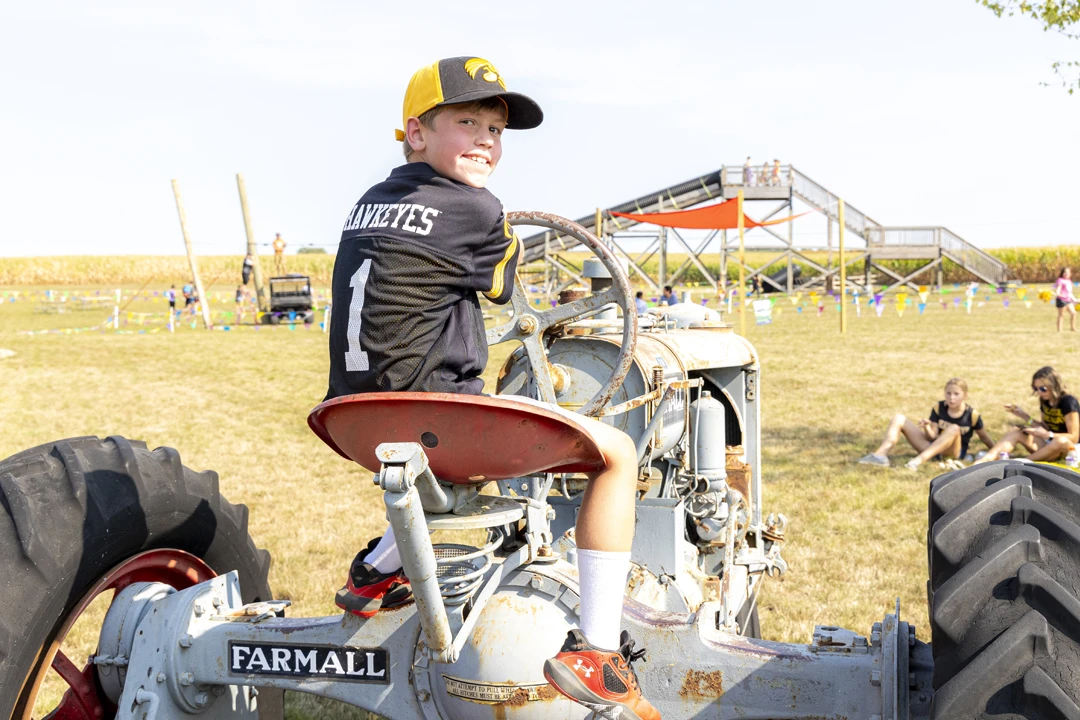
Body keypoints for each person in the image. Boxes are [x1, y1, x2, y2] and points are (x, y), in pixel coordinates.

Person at [323, 57, 658, 720]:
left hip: (353, 417)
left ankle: (377, 567)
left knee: (456, 459)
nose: (485, 141)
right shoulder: (475, 208)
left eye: (496, 130)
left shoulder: (373, 198)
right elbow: (506, 284)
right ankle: (597, 648)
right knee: (616, 451)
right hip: (437, 417)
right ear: (416, 132)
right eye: (466, 122)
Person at [858, 378, 993, 470]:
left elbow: (984, 437)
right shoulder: (939, 408)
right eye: (948, 393)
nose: (951, 398)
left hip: (953, 452)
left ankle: (917, 461)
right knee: (898, 418)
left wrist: (995, 451)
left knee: (954, 428)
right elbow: (931, 436)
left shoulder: (972, 414)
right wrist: (927, 427)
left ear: (965, 395)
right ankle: (880, 455)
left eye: (956, 394)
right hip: (933, 448)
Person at [974, 366, 1080, 464]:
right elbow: (1045, 427)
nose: (1039, 392)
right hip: (1050, 444)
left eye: (1043, 388)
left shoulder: (1068, 402)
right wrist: (1023, 415)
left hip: (1070, 449)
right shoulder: (1045, 401)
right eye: (1036, 389)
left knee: (1060, 441)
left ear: (1053, 386)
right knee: (1017, 433)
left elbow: (1074, 437)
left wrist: (1048, 435)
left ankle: (1021, 462)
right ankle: (984, 460)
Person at [1054, 267, 1076, 332]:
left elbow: (1069, 292)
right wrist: (1058, 293)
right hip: (1061, 300)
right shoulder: (1060, 280)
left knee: (1073, 313)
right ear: (1062, 273)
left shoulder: (1069, 281)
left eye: (1068, 272)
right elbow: (1058, 289)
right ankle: (1059, 330)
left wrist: (1074, 299)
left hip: (1068, 300)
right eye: (1065, 272)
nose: (1066, 274)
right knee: (1061, 315)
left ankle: (1073, 328)